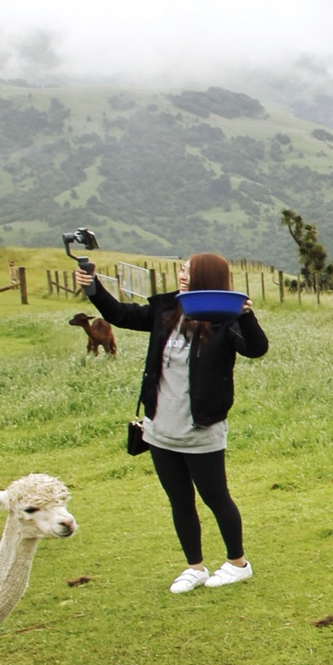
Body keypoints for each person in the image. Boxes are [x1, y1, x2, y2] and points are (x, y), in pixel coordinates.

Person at [76, 253, 268, 594]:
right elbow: (121, 314)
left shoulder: (226, 318)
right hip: (160, 429)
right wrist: (93, 287)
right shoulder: (167, 310)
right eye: (181, 270)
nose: (181, 276)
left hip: (201, 429)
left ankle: (238, 563)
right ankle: (194, 567)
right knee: (180, 501)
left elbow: (256, 349)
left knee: (216, 497)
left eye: (188, 271)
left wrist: (247, 316)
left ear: (207, 278)